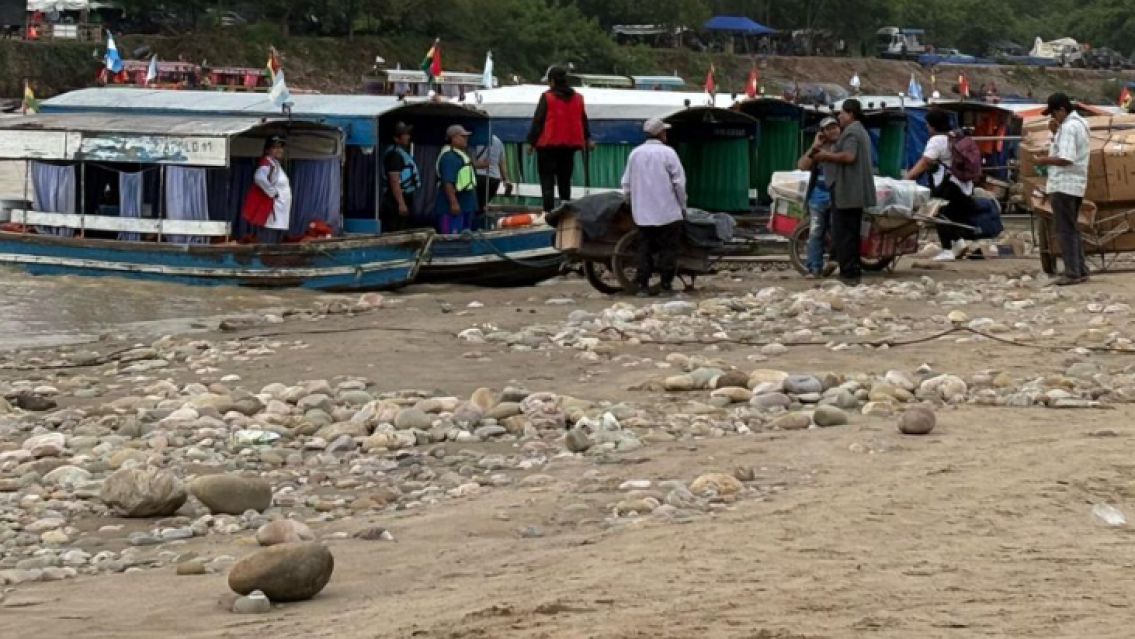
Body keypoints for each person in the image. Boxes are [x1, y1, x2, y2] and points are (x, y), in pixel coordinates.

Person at [620, 118, 687, 297]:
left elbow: (626, 183)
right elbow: (679, 183)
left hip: (642, 213)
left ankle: (642, 286)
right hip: (667, 211)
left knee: (644, 248)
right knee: (668, 248)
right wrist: (683, 205)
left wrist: (629, 201)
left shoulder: (635, 154)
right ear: (661, 133)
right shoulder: (668, 153)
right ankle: (665, 286)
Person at [812, 99, 876, 286]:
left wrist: (825, 156)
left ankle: (848, 274)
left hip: (847, 191)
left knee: (844, 233)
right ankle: (852, 270)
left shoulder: (852, 133)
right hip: (852, 192)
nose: (839, 117)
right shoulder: (859, 131)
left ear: (851, 114)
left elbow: (849, 156)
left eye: (842, 113)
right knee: (851, 232)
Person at [904, 108, 979, 261]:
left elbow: (925, 161)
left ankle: (947, 249)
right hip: (964, 185)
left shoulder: (936, 140)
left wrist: (908, 176)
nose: (926, 127)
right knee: (949, 214)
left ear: (933, 125)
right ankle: (958, 243)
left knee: (938, 212)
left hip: (948, 184)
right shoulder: (954, 136)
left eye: (927, 124)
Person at [1036, 92, 1090, 285]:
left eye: (1053, 113)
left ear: (1062, 110)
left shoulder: (1068, 127)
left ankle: (1072, 272)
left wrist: (1043, 160)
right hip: (1076, 184)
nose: (1053, 117)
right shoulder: (1080, 124)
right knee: (1072, 228)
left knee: (1065, 229)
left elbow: (1066, 158)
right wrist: (1055, 133)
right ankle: (1080, 268)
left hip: (1064, 184)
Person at [526, 66, 591, 213]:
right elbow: (583, 120)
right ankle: (564, 211)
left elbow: (538, 120)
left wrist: (530, 142)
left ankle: (548, 212)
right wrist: (587, 139)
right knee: (565, 180)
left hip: (547, 146)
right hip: (569, 147)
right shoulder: (578, 98)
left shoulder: (547, 97)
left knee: (547, 180)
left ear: (553, 81)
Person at [797, 117, 841, 278]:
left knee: (837, 230)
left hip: (837, 195)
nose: (832, 131)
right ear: (822, 132)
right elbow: (802, 165)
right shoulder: (818, 149)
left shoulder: (843, 146)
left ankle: (834, 261)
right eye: (828, 129)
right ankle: (814, 268)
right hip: (818, 197)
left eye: (834, 127)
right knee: (815, 232)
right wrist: (814, 146)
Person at [241, 137, 291, 243]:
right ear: (267, 150)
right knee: (267, 240)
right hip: (272, 209)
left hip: (279, 210)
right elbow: (259, 177)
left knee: (274, 238)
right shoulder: (267, 163)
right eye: (275, 147)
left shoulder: (274, 163)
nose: (279, 150)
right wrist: (272, 192)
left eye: (281, 147)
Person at [434, 124, 478, 235]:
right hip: (451, 209)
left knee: (465, 236)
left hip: (464, 205)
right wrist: (454, 203)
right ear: (453, 138)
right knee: (451, 237)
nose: (466, 139)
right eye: (463, 136)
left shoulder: (458, 155)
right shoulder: (449, 157)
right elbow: (447, 182)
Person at [381, 122, 421, 233]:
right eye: (404, 134)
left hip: (405, 196)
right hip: (394, 200)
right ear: (396, 138)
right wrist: (401, 203)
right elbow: (394, 181)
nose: (408, 136)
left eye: (408, 134)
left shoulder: (401, 153)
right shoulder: (394, 155)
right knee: (396, 229)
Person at [471, 133, 511, 228]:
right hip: (494, 179)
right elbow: (502, 163)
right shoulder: (498, 141)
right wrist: (506, 179)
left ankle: (472, 227)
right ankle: (481, 227)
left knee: (474, 206)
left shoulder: (475, 139)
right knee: (482, 205)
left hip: (478, 177)